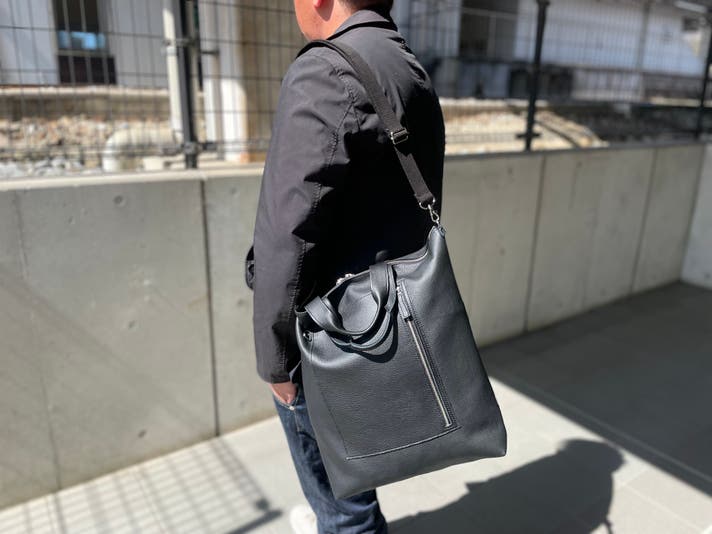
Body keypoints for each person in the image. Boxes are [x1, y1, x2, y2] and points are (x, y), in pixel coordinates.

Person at [247, 0, 445, 532]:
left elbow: (286, 234)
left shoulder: (325, 70)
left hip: (328, 331)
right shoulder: (407, 64)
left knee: (345, 505)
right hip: (390, 315)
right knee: (352, 474)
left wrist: (275, 359)